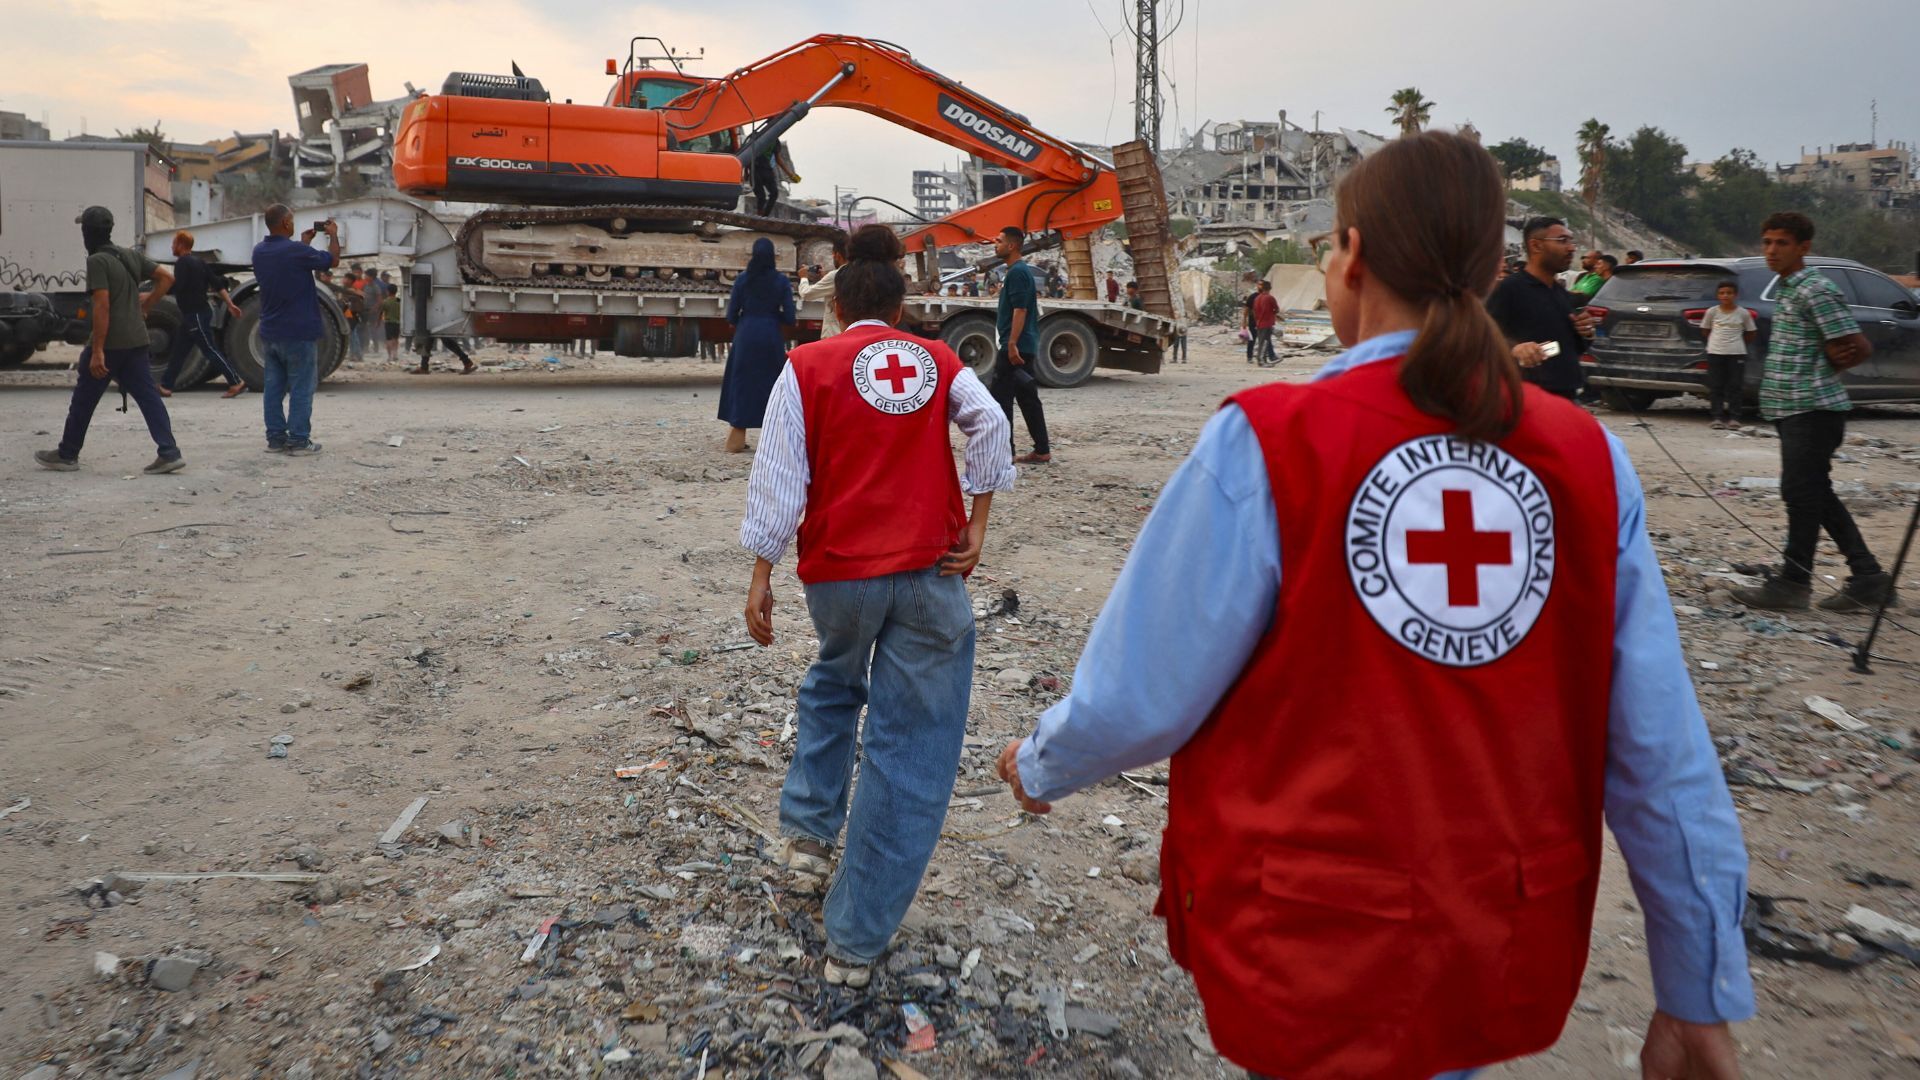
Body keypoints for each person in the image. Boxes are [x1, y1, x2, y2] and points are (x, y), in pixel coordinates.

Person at [996, 130, 1751, 1080]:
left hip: (1311, 942)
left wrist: (1043, 761)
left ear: (1349, 258)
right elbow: (1661, 747)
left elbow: (1143, 694)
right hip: (1495, 940)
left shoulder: (1270, 441)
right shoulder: (1586, 458)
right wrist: (1699, 984)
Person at [739, 224, 1014, 990]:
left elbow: (780, 474)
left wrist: (761, 572)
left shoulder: (807, 365)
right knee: (908, 745)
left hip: (840, 579)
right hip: (930, 572)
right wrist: (979, 523)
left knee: (833, 684)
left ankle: (805, 841)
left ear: (838, 305)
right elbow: (990, 424)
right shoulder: (936, 360)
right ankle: (855, 945)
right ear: (897, 306)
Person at [1731, 211, 1893, 612]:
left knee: (1803, 493)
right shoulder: (1786, 289)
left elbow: (1858, 345)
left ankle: (1795, 582)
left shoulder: (1815, 289)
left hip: (1814, 409)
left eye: (1781, 243)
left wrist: (1822, 371)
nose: (1771, 251)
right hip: (1791, 409)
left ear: (1803, 248)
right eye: (1767, 242)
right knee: (1810, 493)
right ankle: (1867, 576)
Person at [34, 206, 184, 474]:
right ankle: (169, 452)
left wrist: (98, 351)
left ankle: (67, 454)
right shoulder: (129, 255)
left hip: (111, 344)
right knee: (149, 398)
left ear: (86, 233)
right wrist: (148, 302)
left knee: (83, 399)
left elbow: (101, 307)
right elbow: (166, 277)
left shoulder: (97, 262)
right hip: (137, 340)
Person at [252, 204, 339, 455]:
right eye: (291, 220)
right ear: (286, 223)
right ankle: (299, 440)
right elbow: (332, 260)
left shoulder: (259, 251)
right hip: (299, 332)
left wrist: (304, 244)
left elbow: (288, 268)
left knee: (273, 388)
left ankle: (276, 439)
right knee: (301, 386)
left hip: (270, 331)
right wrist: (332, 234)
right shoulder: (296, 252)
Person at [1485, 217, 1595, 400]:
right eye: (1562, 241)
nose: (1571, 248)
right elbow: (1485, 339)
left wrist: (1586, 332)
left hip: (1566, 394)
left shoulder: (1561, 293)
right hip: (1526, 397)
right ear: (1536, 246)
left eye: (1571, 241)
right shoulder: (1511, 289)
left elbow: (1573, 347)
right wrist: (1515, 349)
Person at [720, 237, 796, 452]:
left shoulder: (743, 279)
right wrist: (774, 318)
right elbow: (790, 317)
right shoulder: (781, 281)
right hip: (770, 335)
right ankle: (774, 438)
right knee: (772, 384)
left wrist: (744, 321)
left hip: (746, 334)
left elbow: (731, 314)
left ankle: (736, 435)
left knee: (742, 383)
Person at [158, 230, 246, 399]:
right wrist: (230, 304)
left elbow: (179, 287)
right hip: (195, 314)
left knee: (209, 349)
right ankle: (166, 386)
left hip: (195, 314)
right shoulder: (200, 262)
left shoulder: (182, 263)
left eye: (174, 243)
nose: (172, 246)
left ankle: (235, 381)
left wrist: (155, 293)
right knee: (179, 350)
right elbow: (217, 284)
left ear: (181, 245)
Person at [989, 225, 1051, 464]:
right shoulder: (1017, 271)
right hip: (1023, 344)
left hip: (1014, 346)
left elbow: (1020, 310)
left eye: (1000, 240)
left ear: (1012, 245)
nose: (996, 244)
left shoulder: (1017, 273)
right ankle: (1042, 449)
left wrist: (1011, 343)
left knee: (1000, 399)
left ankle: (1006, 453)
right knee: (1027, 397)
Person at [1699, 280, 1756, 429]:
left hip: (1736, 353)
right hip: (1715, 352)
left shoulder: (1743, 313)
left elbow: (1751, 333)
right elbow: (1705, 330)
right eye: (1722, 293)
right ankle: (1717, 417)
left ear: (1735, 295)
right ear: (1718, 295)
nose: (1725, 296)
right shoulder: (1712, 312)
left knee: (1735, 386)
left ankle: (1734, 417)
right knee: (1716, 386)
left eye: (1729, 293)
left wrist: (1736, 343)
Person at [798, 234, 849, 338]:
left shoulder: (835, 276)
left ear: (838, 256)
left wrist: (803, 278)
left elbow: (807, 294)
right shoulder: (860, 274)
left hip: (834, 334)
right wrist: (825, 279)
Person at [1250, 278, 1280, 365]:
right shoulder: (1270, 298)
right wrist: (1273, 313)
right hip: (1267, 322)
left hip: (1259, 322)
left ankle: (1263, 360)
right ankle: (1261, 361)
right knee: (1265, 342)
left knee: (1261, 341)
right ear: (1270, 288)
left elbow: (1254, 311)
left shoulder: (1257, 298)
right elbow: (1276, 309)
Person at [1242, 272, 1261, 364]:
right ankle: (1249, 357)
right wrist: (1244, 322)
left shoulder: (1267, 297)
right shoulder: (1253, 297)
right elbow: (1246, 310)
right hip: (1253, 322)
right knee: (1252, 340)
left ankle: (1262, 357)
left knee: (1264, 340)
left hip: (1263, 322)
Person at [380, 285, 402, 362]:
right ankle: (395, 355)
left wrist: (378, 322)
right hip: (397, 322)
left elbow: (381, 312)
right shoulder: (399, 300)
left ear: (388, 291)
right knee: (395, 339)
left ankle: (389, 356)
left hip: (388, 322)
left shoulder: (385, 301)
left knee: (388, 340)